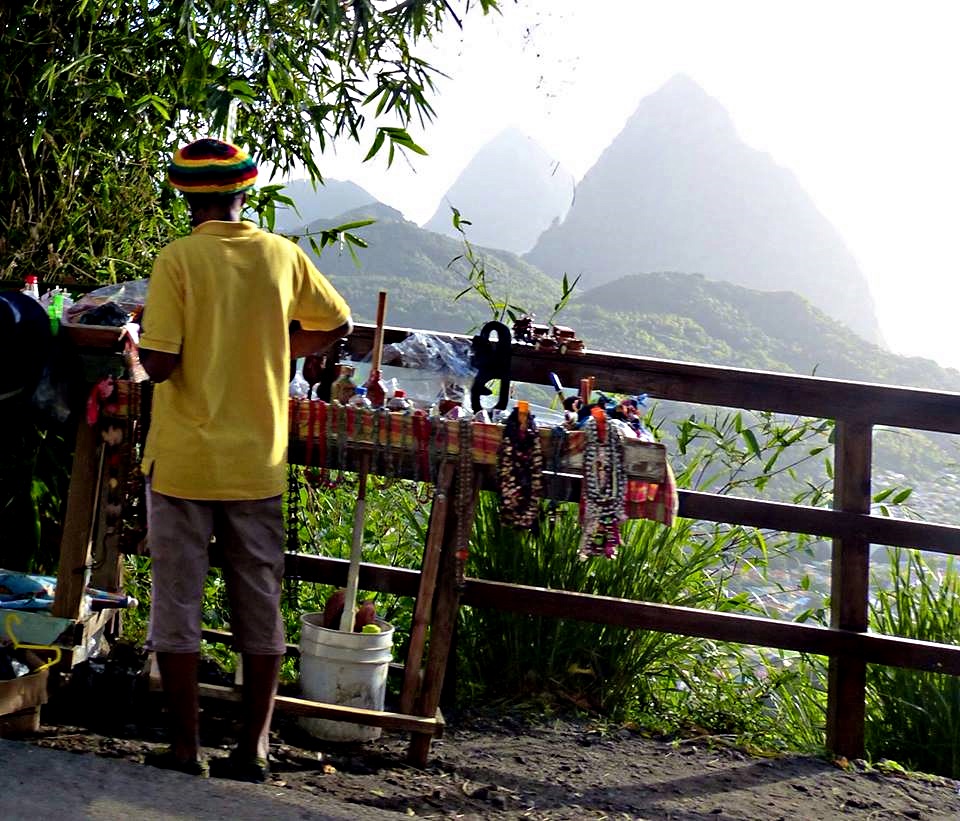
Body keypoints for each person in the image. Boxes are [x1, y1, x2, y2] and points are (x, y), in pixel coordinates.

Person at [138, 138, 352, 780]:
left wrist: (139, 339)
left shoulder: (177, 259)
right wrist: (281, 343)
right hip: (258, 457)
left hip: (184, 460)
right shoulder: (282, 256)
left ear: (185, 196)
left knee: (178, 600)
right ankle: (253, 749)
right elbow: (335, 322)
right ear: (243, 192)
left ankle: (184, 749)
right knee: (260, 598)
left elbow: (161, 363)